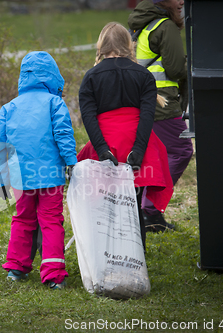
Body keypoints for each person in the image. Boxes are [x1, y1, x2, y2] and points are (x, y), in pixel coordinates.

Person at [76, 22, 174, 251]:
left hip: (107, 142)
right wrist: (139, 150)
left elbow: (88, 117)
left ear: (101, 45)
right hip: (135, 142)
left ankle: (107, 254)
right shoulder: (144, 75)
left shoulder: (91, 76)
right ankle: (135, 256)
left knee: (104, 203)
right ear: (128, 45)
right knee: (134, 203)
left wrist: (102, 150)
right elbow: (147, 116)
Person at [0, 51, 77, 290]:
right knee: (51, 221)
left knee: (22, 219)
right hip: (50, 176)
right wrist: (71, 162)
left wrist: (1, 178)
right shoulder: (55, 103)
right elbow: (63, 134)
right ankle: (53, 273)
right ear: (53, 77)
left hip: (20, 177)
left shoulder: (9, 107)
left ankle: (16, 267)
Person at [128, 0, 194, 232]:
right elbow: (176, 69)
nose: (182, 2)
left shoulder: (143, 25)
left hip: (141, 100)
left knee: (154, 154)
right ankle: (150, 210)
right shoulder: (165, 26)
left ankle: (146, 212)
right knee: (181, 150)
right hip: (162, 101)